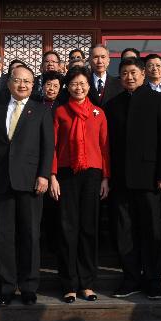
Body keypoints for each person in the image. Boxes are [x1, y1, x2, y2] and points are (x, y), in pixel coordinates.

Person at [105, 58, 161, 300]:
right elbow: (107, 145)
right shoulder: (112, 105)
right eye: (124, 73)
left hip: (150, 177)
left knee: (152, 230)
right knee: (124, 231)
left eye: (133, 72)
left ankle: (153, 279)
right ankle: (131, 277)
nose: (129, 77)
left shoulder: (157, 100)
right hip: (121, 178)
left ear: (143, 75)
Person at [0, 65, 55, 306]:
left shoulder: (41, 111)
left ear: (32, 84)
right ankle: (7, 286)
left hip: (31, 182)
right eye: (18, 80)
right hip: (3, 181)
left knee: (30, 235)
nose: (23, 85)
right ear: (9, 83)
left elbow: (48, 148)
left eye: (27, 81)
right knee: (5, 236)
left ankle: (28, 286)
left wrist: (44, 175)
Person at [49, 67, 110, 303]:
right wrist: (52, 176)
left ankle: (87, 283)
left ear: (89, 85)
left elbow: (105, 148)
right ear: (68, 87)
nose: (79, 87)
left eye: (83, 83)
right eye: (74, 83)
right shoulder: (60, 112)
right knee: (67, 229)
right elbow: (53, 146)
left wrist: (106, 177)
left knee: (88, 229)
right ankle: (69, 284)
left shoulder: (98, 113)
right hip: (66, 175)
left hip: (93, 175)